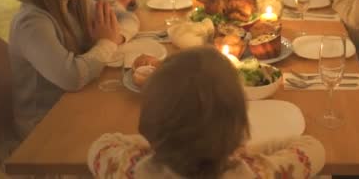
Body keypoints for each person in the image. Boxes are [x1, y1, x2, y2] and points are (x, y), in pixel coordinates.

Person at [88, 46, 325, 178]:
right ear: (241, 128)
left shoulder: (129, 169)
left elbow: (102, 144)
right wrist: (248, 151)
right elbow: (312, 147)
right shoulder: (257, 171)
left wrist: (159, 143)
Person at [9, 0, 120, 143]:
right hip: (44, 130)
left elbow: (126, 18)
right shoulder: (31, 24)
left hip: (76, 105)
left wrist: (115, 36)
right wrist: (107, 41)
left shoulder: (73, 1)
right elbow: (72, 77)